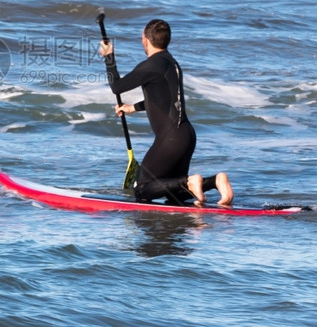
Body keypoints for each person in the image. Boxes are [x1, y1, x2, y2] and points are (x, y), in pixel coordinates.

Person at [99, 19, 234, 206]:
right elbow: (162, 99)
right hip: (186, 135)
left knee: (142, 189)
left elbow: (117, 87)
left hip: (172, 139)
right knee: (174, 195)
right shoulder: (172, 64)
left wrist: (109, 57)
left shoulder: (150, 65)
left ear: (145, 40)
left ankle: (190, 181)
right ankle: (215, 181)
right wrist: (133, 107)